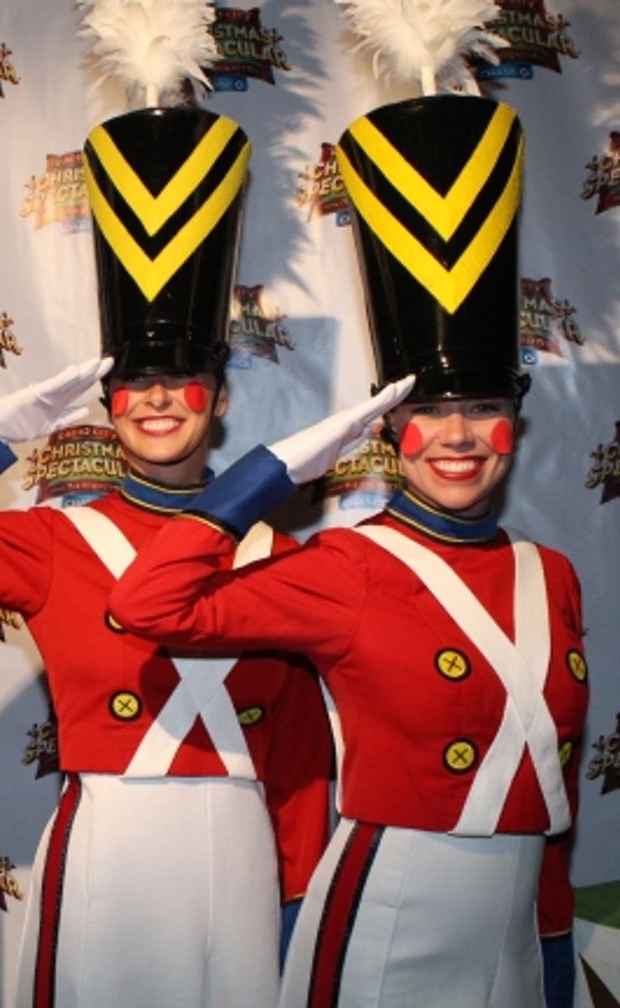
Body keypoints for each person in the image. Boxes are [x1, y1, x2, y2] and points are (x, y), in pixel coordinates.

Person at [0, 105, 332, 1008]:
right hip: (113, 847)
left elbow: (298, 761)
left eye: (183, 380)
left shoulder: (273, 552)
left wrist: (302, 905)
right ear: (105, 401)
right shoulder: (51, 541)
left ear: (218, 398)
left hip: (248, 856)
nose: (158, 401)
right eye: (134, 382)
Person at [107, 95, 587, 1008]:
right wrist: (275, 470)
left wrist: (554, 949)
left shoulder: (550, 574)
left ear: (516, 426)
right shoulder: (345, 567)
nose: (459, 437)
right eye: (428, 414)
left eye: (483, 411)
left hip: (517, 926)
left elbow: (548, 785)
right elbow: (149, 606)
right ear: (387, 426)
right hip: (389, 911)